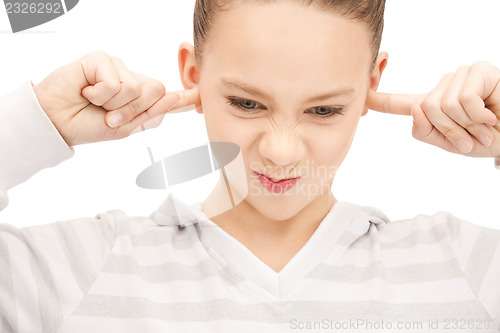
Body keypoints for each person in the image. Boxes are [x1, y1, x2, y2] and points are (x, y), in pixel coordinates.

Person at [1, 0, 499, 332]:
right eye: (246, 103)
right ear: (193, 74)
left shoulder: (465, 265)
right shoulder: (81, 269)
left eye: (323, 110)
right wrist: (36, 123)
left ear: (372, 83)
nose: (282, 153)